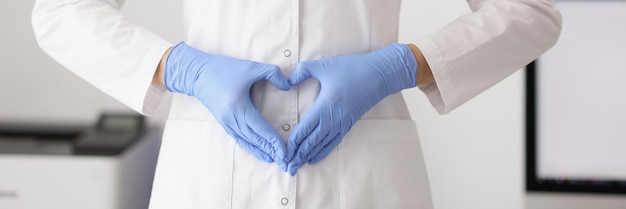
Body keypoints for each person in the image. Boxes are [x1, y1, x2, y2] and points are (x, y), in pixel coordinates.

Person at [32, 0, 562, 208]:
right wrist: (182, 68)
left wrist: (402, 64)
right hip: (213, 179)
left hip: (365, 181)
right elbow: (59, 11)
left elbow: (530, 11)